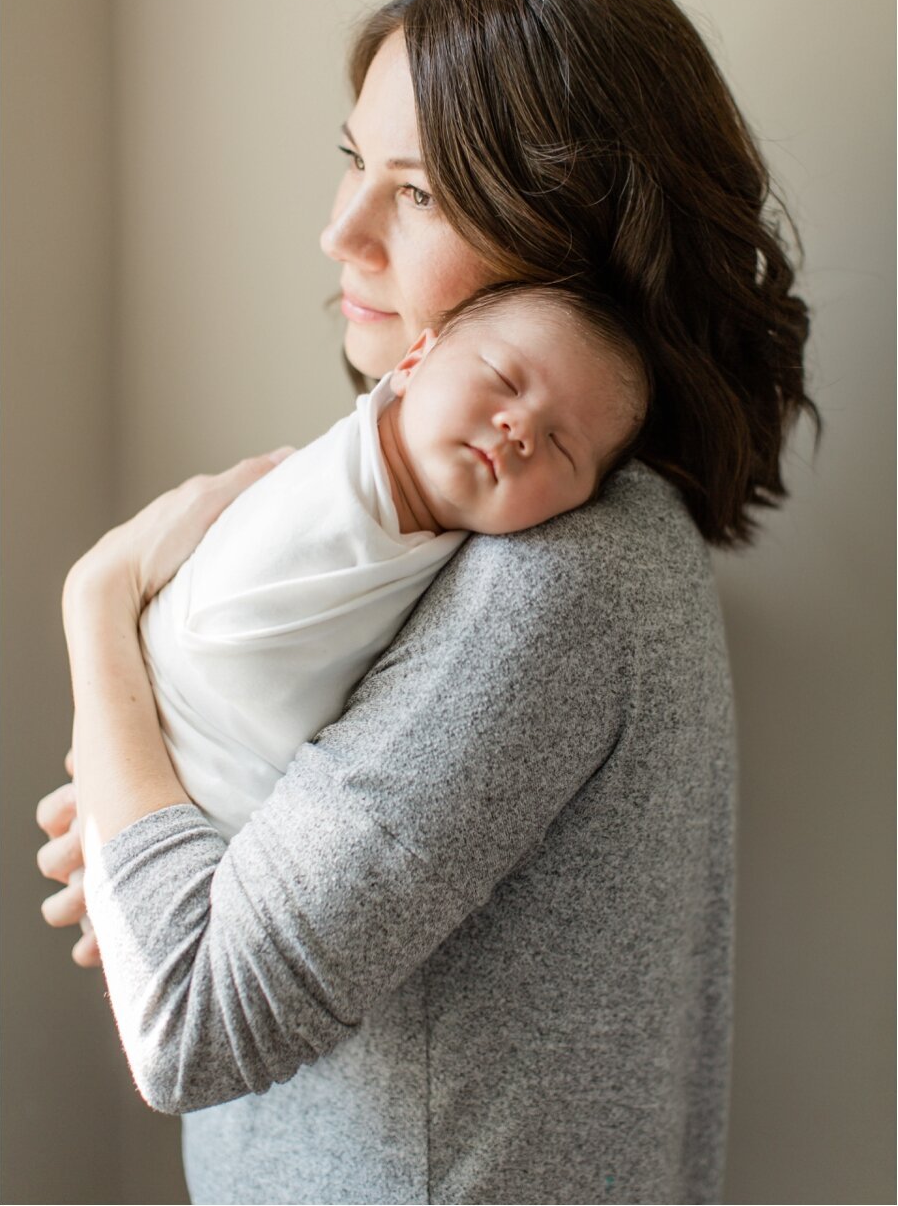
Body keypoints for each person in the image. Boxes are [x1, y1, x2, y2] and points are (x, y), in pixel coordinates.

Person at [37, 0, 817, 1205]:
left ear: (567, 238)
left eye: (422, 193)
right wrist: (164, 836)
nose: (339, 230)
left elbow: (186, 1019)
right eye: (357, 163)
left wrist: (97, 603)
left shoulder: (551, 582)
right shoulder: (568, 526)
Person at [141, 283, 646, 841]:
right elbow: (221, 654)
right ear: (412, 361)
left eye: (562, 446)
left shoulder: (515, 574)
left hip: (209, 826)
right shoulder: (329, 489)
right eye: (504, 380)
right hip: (178, 747)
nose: (520, 428)